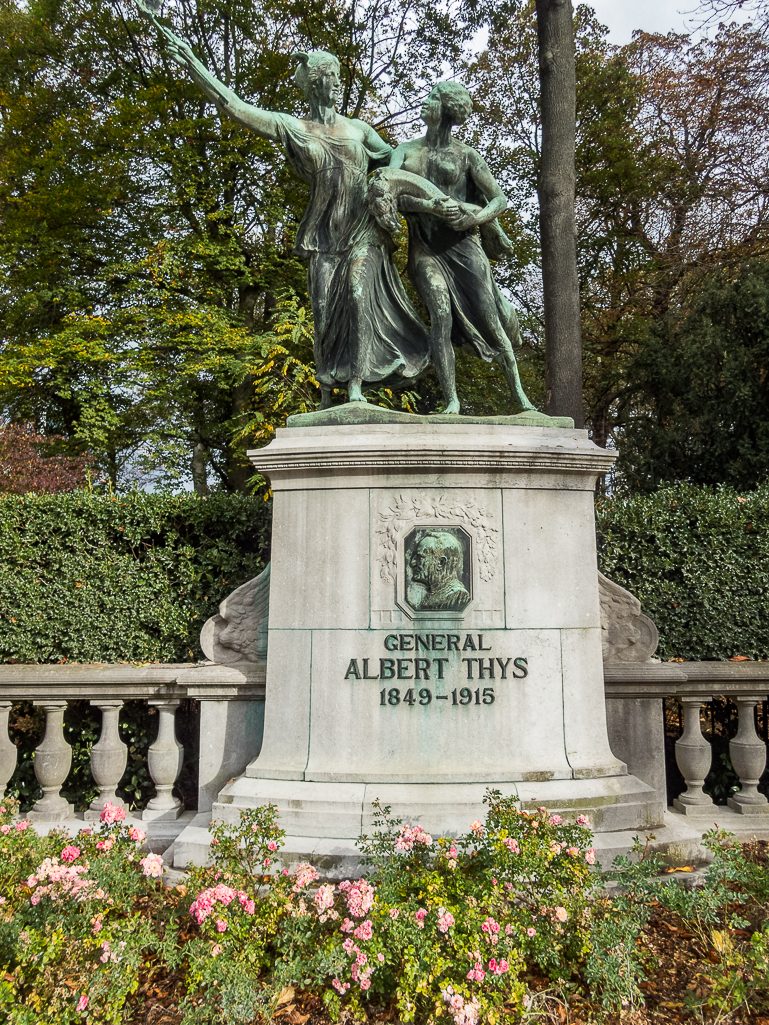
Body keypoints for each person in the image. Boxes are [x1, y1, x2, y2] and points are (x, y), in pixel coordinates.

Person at [136, 5, 430, 406]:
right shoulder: (295, 127)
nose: (336, 85)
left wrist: (396, 179)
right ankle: (327, 394)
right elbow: (235, 107)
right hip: (324, 234)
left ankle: (357, 386)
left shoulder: (358, 130)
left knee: (359, 298)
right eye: (329, 78)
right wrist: (191, 60)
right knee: (324, 312)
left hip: (364, 229)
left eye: (339, 78)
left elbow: (394, 157)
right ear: (313, 84)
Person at [389, 81, 535, 415]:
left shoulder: (466, 155)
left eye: (433, 98)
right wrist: (430, 207)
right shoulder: (405, 151)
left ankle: (521, 398)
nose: (425, 103)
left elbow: (500, 199)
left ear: (448, 109)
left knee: (491, 319)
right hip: (426, 249)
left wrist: (475, 218)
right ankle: (452, 400)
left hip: (465, 249)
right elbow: (389, 190)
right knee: (440, 315)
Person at [408, 532, 470, 611]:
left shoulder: (458, 596)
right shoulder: (432, 595)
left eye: (420, 557)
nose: (412, 563)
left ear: (441, 563)